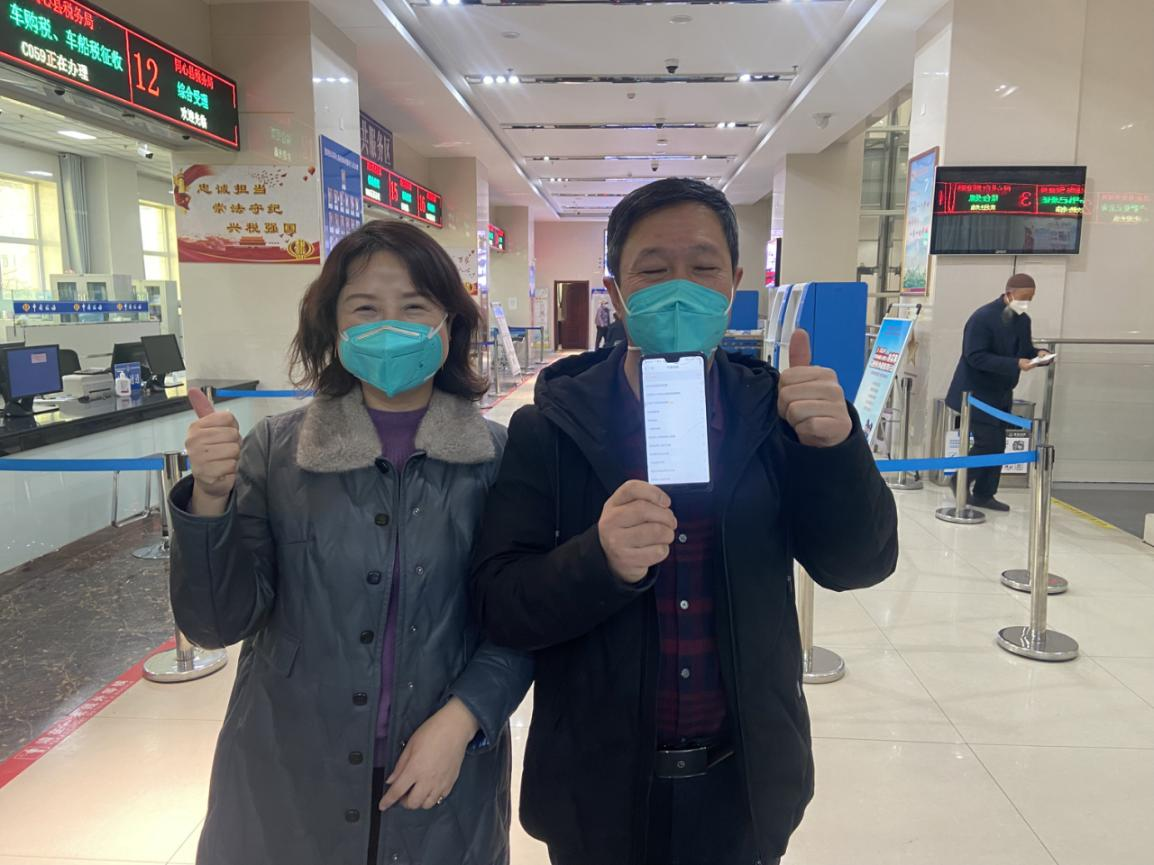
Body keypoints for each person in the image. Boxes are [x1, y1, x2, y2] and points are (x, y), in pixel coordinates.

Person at [471, 178, 899, 865]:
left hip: (744, 785)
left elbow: (859, 563)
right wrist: (599, 560)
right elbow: (501, 604)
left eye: (703, 267)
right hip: (597, 793)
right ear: (616, 293)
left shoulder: (773, 415)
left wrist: (834, 450)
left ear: (733, 285)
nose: (679, 289)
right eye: (652, 269)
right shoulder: (550, 429)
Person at [168, 220, 532, 865]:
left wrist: (464, 719)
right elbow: (216, 623)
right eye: (364, 308)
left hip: (441, 775)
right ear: (333, 328)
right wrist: (210, 501)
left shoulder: (496, 457)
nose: (389, 325)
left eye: (414, 307)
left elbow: (522, 621)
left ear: (449, 325)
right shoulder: (278, 450)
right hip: (288, 769)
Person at [945, 272, 1052, 512]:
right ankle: (960, 478)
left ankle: (984, 494)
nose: (1026, 303)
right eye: (1023, 297)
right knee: (988, 443)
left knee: (999, 444)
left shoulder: (1023, 320)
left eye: (1031, 299)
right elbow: (975, 356)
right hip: (975, 393)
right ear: (1009, 294)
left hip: (1002, 392)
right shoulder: (982, 318)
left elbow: (1024, 349)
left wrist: (1039, 355)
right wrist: (1015, 364)